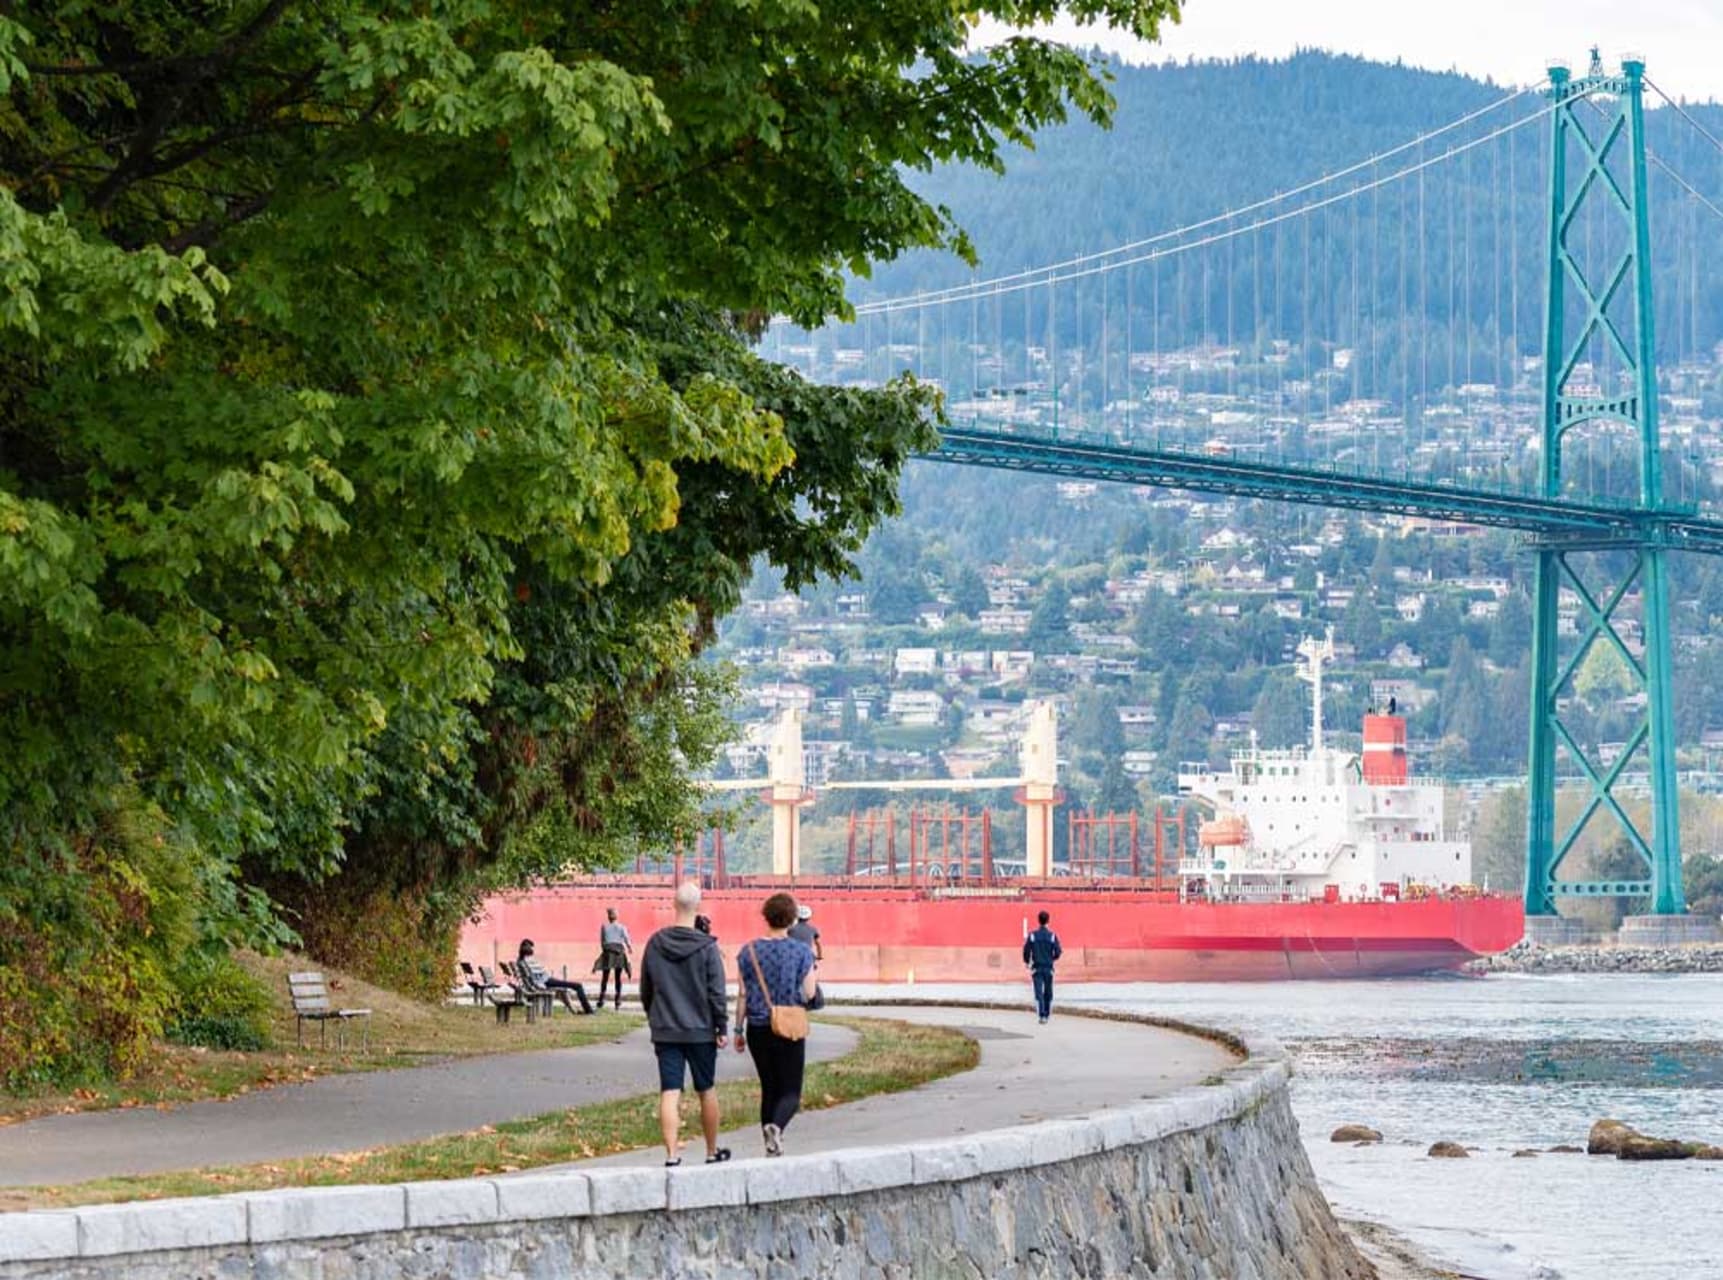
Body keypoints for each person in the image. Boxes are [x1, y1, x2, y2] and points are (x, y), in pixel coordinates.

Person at [639, 882, 732, 1167]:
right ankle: (711, 1151)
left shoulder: (655, 943)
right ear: (698, 906)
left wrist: (655, 1016)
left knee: (670, 1091)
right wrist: (721, 1027)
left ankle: (671, 1155)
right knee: (706, 1089)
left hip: (666, 1029)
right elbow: (716, 992)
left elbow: (646, 988)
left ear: (673, 904)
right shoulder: (707, 947)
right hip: (701, 1030)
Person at [734, 892, 817, 1157]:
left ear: (766, 917)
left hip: (757, 1027)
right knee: (791, 1090)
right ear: (792, 920)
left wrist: (738, 1029)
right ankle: (777, 1128)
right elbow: (810, 992)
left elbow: (743, 994)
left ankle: (770, 1144)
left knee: (769, 1087)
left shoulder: (747, 952)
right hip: (789, 1025)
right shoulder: (802, 952)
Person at [515, 939, 594, 1015]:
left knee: (567, 990)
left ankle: (578, 1011)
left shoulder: (522, 961)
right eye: (531, 947)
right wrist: (541, 985)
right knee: (578, 986)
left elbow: (534, 976)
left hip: (546, 981)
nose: (533, 950)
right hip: (545, 982)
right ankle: (588, 1010)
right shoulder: (526, 961)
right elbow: (535, 979)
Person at [1022, 910, 1062, 1024]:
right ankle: (1047, 1014)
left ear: (1038, 921)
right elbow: (1058, 952)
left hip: (1037, 967)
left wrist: (1027, 961)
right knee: (1048, 992)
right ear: (1048, 921)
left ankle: (1042, 1015)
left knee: (1038, 992)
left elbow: (1026, 950)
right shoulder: (1052, 936)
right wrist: (1051, 959)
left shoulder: (1032, 936)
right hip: (1048, 968)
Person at [593, 907, 633, 1009]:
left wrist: (605, 950)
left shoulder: (604, 927)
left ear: (608, 916)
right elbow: (627, 939)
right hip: (619, 953)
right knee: (618, 978)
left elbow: (602, 941)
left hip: (608, 952)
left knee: (605, 977)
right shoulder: (622, 927)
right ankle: (618, 1000)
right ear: (617, 916)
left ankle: (601, 999)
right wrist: (629, 948)